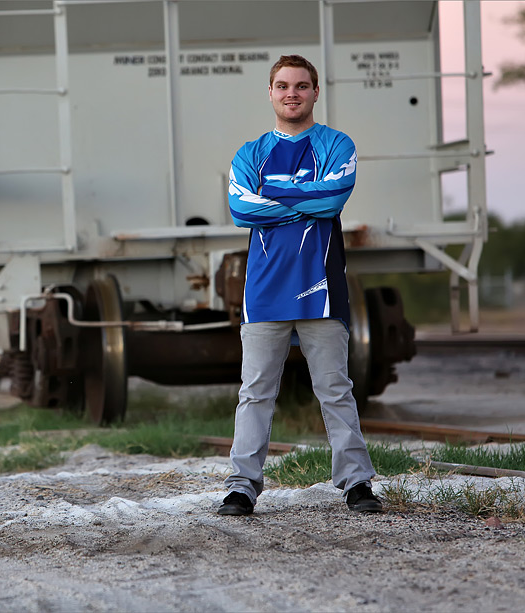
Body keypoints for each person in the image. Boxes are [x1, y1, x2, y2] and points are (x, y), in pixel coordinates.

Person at [220, 54, 382, 516]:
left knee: (335, 389)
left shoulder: (336, 144)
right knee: (255, 392)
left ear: (315, 92)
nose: (292, 93)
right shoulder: (249, 153)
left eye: (301, 86)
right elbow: (240, 210)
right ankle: (242, 486)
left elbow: (332, 199)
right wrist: (304, 202)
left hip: (321, 289)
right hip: (264, 292)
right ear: (270, 93)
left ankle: (357, 484)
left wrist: (274, 194)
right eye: (283, 86)